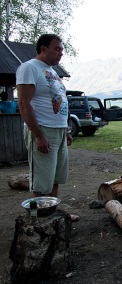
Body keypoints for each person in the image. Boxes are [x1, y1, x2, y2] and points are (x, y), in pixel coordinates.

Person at [16, 34, 78, 221]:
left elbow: (60, 102)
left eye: (62, 50)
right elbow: (23, 103)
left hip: (58, 131)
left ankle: (53, 216)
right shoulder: (29, 68)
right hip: (43, 129)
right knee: (42, 182)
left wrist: (66, 130)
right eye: (57, 49)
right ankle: (38, 220)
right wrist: (38, 135)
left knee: (56, 178)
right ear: (43, 49)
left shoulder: (52, 72)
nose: (61, 53)